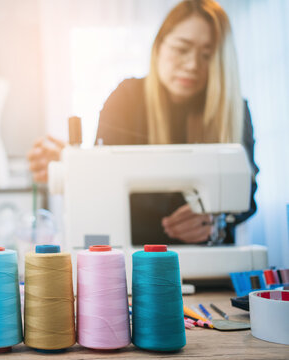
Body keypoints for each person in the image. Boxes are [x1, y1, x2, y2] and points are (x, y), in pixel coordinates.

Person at [28, 0, 258, 245]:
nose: (193, 65)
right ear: (158, 46)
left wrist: (217, 220)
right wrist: (73, 164)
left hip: (213, 263)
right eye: (182, 49)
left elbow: (248, 195)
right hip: (136, 258)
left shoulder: (234, 110)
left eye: (207, 56)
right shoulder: (126, 99)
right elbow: (101, 177)